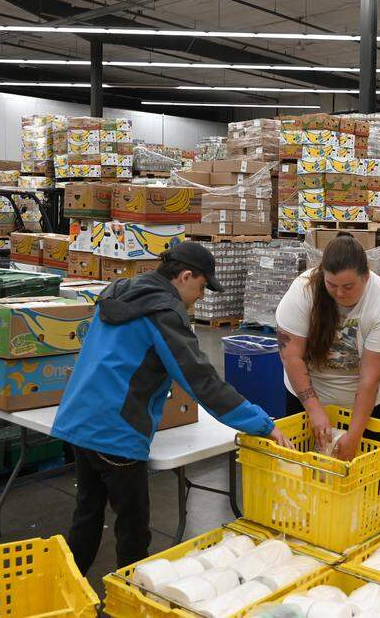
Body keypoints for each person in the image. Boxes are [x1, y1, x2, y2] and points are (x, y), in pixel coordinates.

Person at [51, 241, 293, 574]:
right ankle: (128, 597)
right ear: (185, 276)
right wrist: (263, 423)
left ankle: (67, 588)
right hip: (115, 431)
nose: (201, 296)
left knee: (87, 514)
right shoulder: (162, 313)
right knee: (133, 530)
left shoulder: (121, 292)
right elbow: (203, 383)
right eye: (202, 286)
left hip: (79, 418)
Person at [275, 233, 380, 461]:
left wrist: (354, 435)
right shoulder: (302, 292)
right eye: (332, 285)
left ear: (366, 276)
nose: (339, 293)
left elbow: (369, 381)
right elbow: (292, 357)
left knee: (368, 471)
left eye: (348, 286)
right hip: (307, 396)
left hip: (369, 404)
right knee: (302, 469)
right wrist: (314, 410)